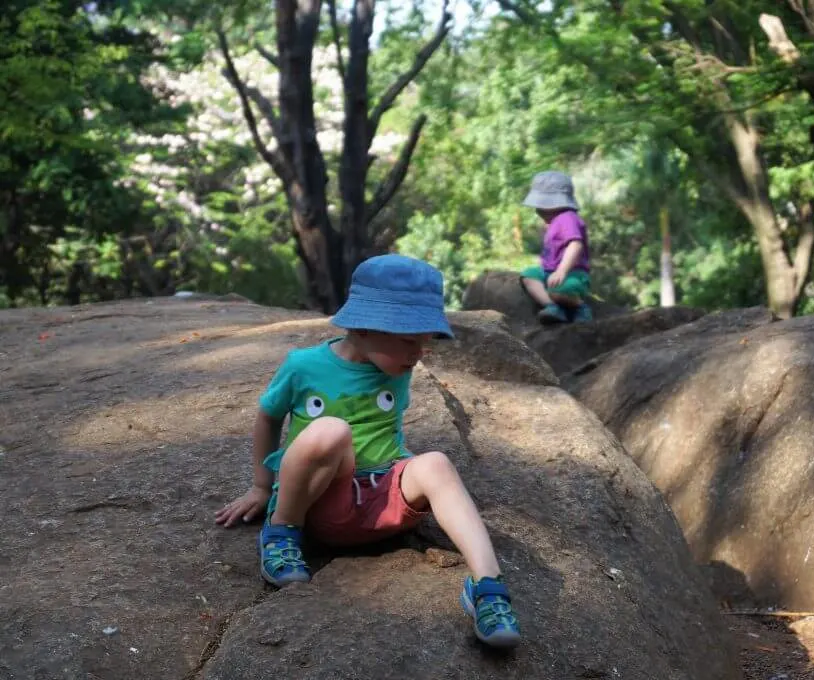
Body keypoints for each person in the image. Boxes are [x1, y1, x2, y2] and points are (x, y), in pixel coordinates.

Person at [214, 254, 521, 648]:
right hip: (326, 505)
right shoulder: (303, 366)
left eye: (427, 340)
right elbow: (268, 416)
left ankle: (488, 588)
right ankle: (281, 532)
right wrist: (261, 486)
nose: (420, 352)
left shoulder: (397, 366)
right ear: (361, 327)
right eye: (410, 340)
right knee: (331, 431)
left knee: (437, 463)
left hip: (386, 505)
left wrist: (410, 474)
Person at [519, 170, 593, 324]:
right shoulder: (555, 221)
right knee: (528, 276)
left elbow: (575, 244)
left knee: (559, 291)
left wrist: (562, 270)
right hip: (549, 273)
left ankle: (580, 307)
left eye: (542, 205)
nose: (537, 210)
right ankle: (553, 307)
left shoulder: (567, 218)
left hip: (572, 274)